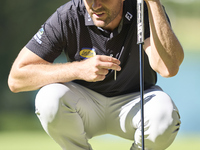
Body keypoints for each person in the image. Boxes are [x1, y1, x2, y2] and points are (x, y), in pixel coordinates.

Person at [8, 0, 184, 149]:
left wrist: (153, 3)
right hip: (85, 104)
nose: (95, 5)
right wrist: (78, 69)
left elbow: (168, 68)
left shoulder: (143, 10)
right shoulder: (68, 15)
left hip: (135, 101)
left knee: (165, 113)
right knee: (49, 98)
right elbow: (17, 79)